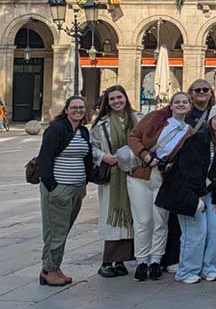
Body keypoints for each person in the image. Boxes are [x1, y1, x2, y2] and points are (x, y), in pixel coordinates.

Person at [155, 102, 216, 283]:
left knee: (213, 231)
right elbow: (190, 170)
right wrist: (198, 195)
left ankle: (208, 267)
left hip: (208, 194)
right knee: (195, 232)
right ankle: (187, 271)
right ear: (211, 120)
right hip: (188, 193)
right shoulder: (198, 139)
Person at [127, 92, 194, 282]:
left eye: (185, 102)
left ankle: (156, 260)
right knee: (143, 220)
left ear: (190, 107)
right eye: (177, 102)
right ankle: (142, 261)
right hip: (140, 174)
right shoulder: (155, 118)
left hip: (164, 179)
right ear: (171, 106)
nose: (181, 105)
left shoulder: (189, 132)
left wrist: (172, 166)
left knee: (160, 221)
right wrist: (145, 155)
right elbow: (133, 136)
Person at [37, 96, 94, 286]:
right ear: (67, 110)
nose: (78, 111)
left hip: (77, 188)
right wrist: (52, 186)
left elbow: (86, 158)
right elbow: (45, 158)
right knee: (55, 231)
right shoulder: (57, 130)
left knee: (64, 229)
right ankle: (48, 269)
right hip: (59, 188)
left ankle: (55, 266)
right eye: (74, 108)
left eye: (81, 108)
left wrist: (86, 180)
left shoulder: (83, 131)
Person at [161, 78, 214, 273]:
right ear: (191, 93)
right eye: (197, 89)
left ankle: (195, 259)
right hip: (182, 172)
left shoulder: (214, 114)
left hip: (205, 173)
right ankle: (172, 258)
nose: (201, 92)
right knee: (177, 218)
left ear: (210, 93)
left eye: (205, 89)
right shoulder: (185, 115)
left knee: (201, 221)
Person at [89, 86, 140, 278]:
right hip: (112, 176)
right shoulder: (101, 125)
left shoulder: (138, 119)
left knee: (132, 217)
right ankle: (107, 261)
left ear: (126, 98)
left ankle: (121, 261)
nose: (117, 101)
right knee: (113, 218)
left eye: (120, 97)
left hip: (134, 173)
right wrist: (103, 156)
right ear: (107, 102)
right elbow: (91, 147)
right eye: (112, 99)